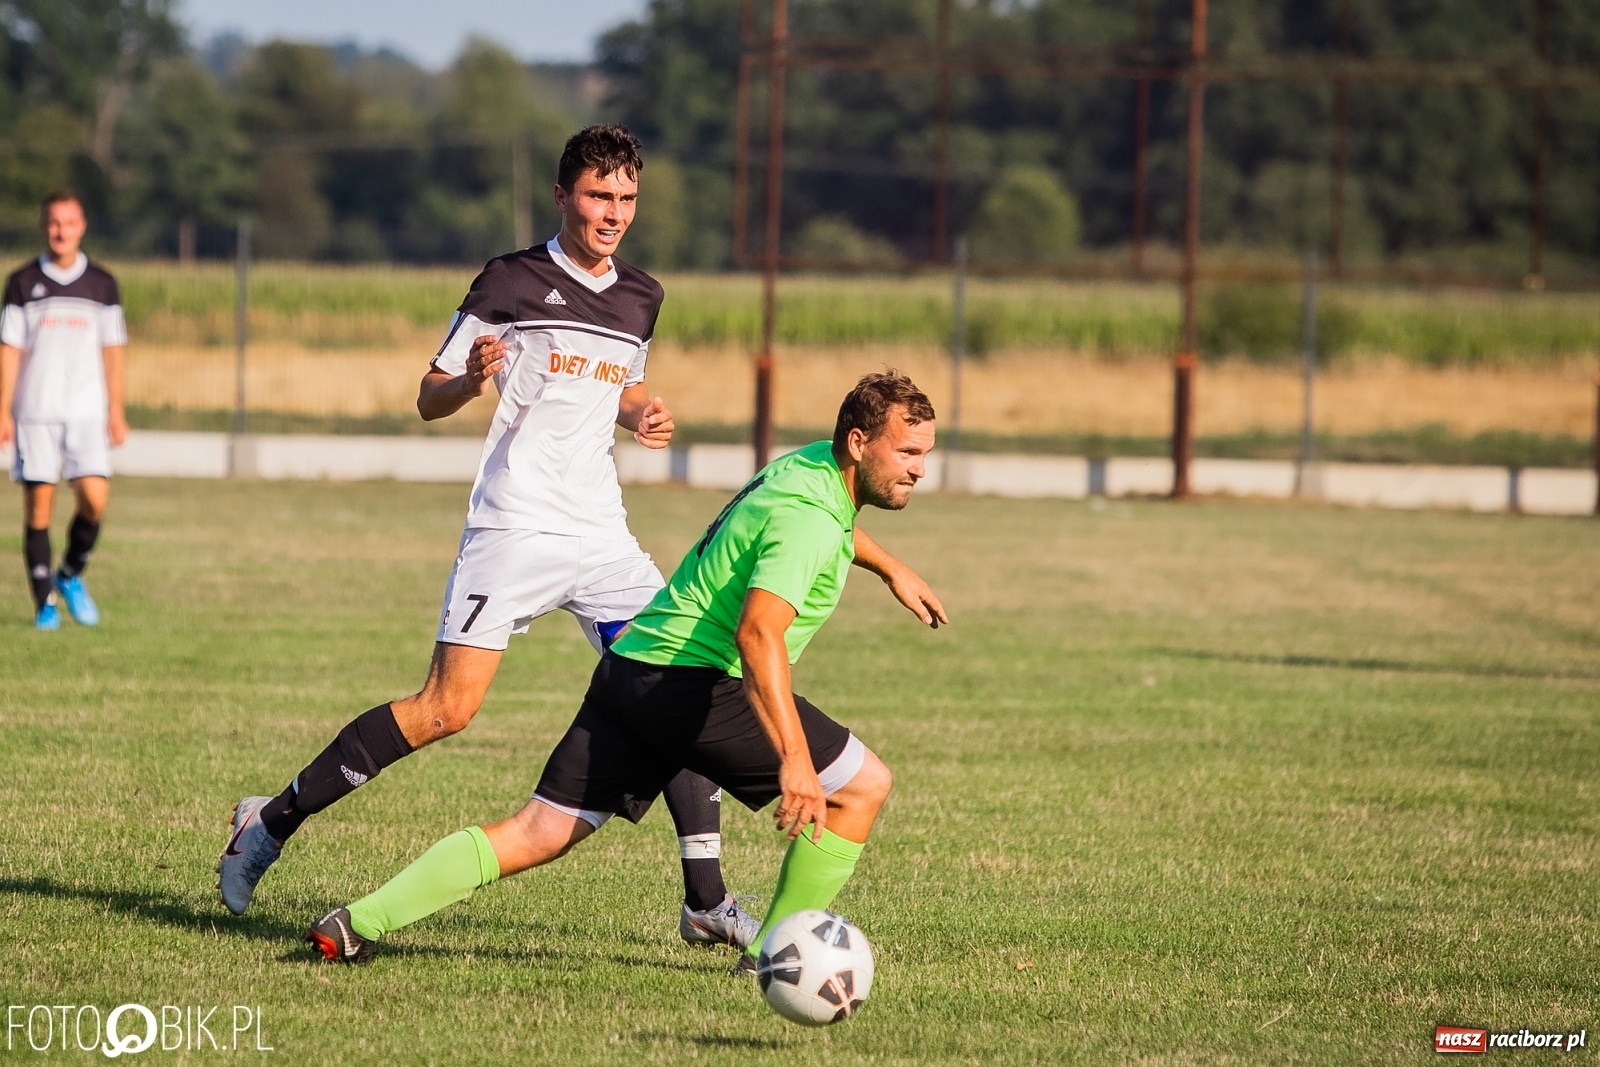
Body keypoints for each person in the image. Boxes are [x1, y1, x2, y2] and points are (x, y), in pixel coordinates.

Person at [219, 125, 764, 948]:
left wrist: (640, 411)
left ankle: (706, 901)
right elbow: (428, 395)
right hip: (513, 525)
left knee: (678, 680)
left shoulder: (641, 296)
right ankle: (269, 822)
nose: (613, 213)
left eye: (626, 199)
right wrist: (472, 380)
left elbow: (620, 382)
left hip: (603, 534)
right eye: (598, 196)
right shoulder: (511, 279)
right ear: (562, 194)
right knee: (446, 710)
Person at [306, 371, 945, 977]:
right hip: (696, 683)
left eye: (924, 453)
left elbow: (833, 524)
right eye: (908, 452)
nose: (920, 468)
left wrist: (891, 567)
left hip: (633, 665)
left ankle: (356, 922)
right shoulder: (811, 517)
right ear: (858, 443)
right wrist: (795, 760)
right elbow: (758, 634)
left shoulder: (808, 467)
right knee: (862, 787)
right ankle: (772, 959)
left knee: (540, 829)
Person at [0, 191, 128, 631]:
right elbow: (10, 350)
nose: (61, 231)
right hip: (36, 412)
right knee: (40, 507)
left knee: (94, 499)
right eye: (54, 223)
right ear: (44, 226)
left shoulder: (102, 284)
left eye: (69, 223)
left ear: (82, 227)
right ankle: (45, 606)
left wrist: (116, 409)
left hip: (87, 413)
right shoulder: (21, 282)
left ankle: (70, 574)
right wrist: (3, 410)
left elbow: (113, 351)